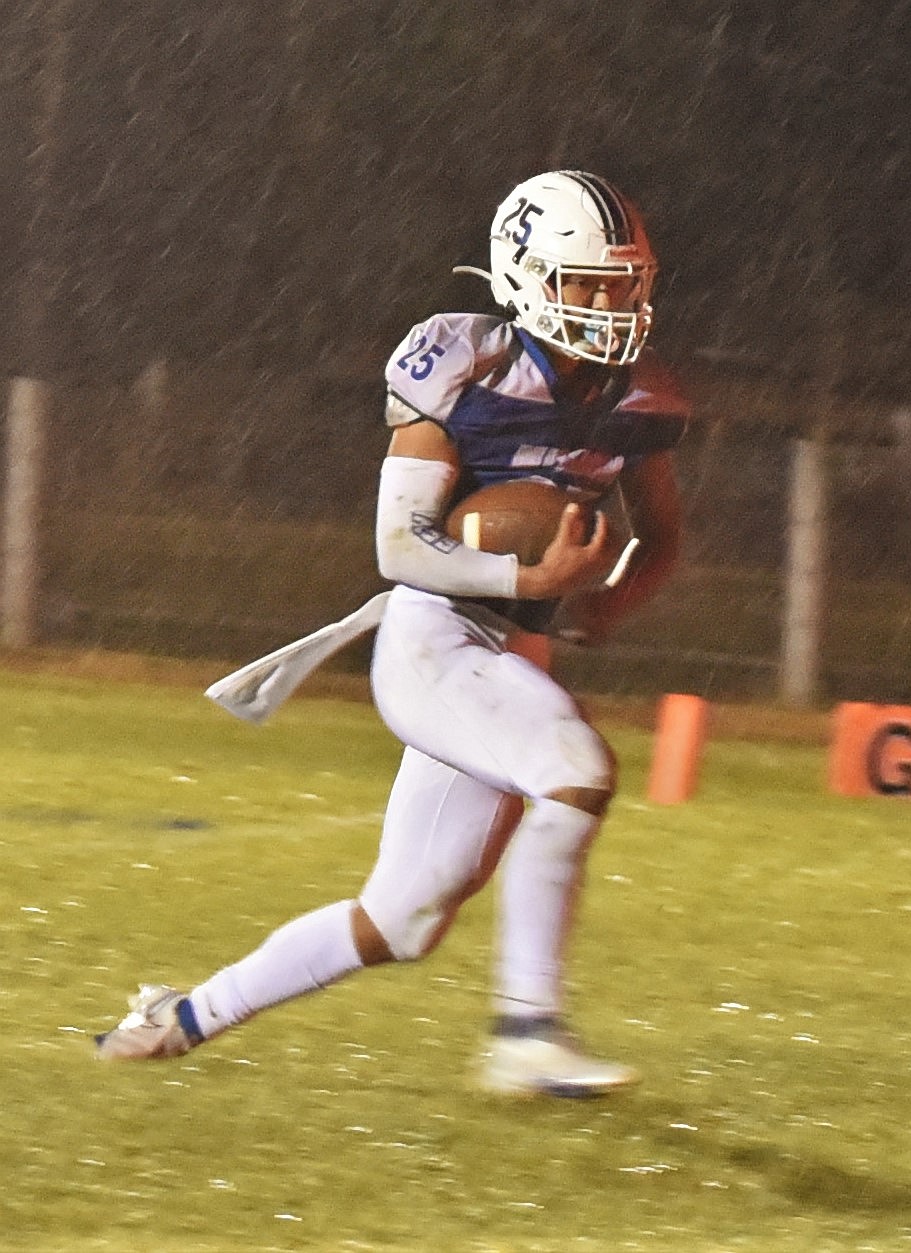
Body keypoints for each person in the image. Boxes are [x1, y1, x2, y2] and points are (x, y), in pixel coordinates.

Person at [95, 169, 691, 1097]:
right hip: (436, 640)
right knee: (576, 769)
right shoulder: (465, 364)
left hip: (513, 654)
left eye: (626, 283)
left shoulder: (638, 396)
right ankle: (526, 1030)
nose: (614, 305)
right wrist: (527, 576)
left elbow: (659, 538)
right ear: (527, 275)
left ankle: (180, 1018)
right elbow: (398, 547)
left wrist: (600, 605)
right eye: (589, 283)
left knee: (402, 918)